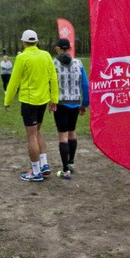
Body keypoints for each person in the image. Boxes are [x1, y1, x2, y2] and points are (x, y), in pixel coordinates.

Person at [4, 29, 58, 182]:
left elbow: (14, 81)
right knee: (38, 131)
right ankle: (44, 164)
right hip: (43, 100)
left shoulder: (22, 57)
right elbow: (53, 78)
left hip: (29, 102)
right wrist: (54, 99)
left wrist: (7, 100)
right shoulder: (46, 55)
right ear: (37, 41)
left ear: (24, 42)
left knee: (32, 135)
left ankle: (35, 171)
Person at [51, 38, 89, 179]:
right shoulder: (78, 64)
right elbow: (85, 85)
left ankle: (65, 169)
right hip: (74, 103)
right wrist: (84, 104)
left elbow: (50, 83)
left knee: (63, 136)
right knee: (72, 133)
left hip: (60, 104)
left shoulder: (53, 64)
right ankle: (71, 163)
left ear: (58, 49)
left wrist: (51, 100)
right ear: (70, 48)